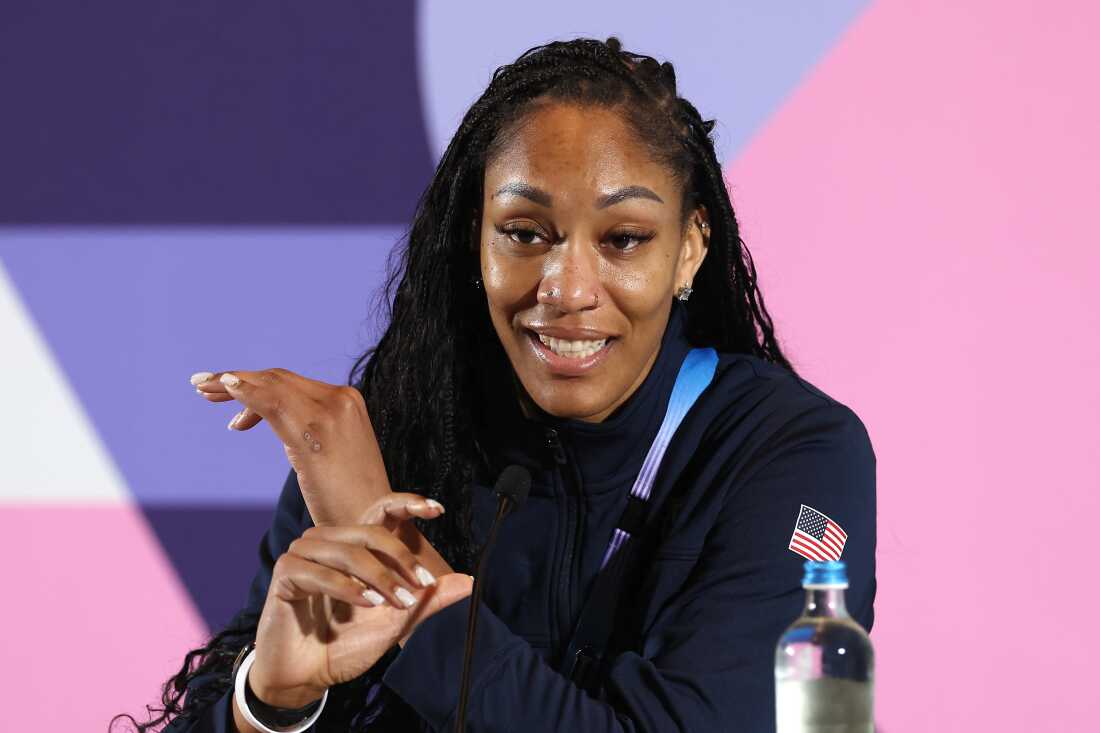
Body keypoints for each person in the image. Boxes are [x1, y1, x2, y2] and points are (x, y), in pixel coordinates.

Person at [113, 36, 875, 732]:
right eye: (525, 233)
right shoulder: (393, 427)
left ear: (688, 250)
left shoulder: (794, 454)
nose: (568, 288)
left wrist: (414, 593)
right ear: (474, 240)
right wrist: (270, 704)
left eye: (623, 240)